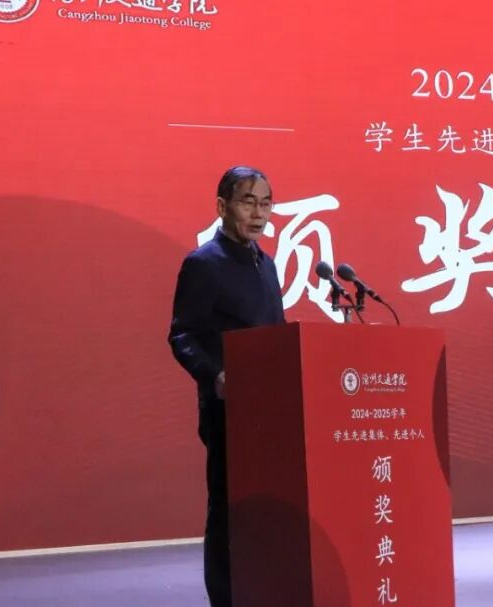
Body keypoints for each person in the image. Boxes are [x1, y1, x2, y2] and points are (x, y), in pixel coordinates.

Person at [168, 166, 285, 607]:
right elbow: (183, 335)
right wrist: (215, 375)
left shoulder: (266, 264)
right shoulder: (203, 264)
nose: (258, 214)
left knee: (269, 508)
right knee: (228, 509)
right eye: (247, 202)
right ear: (222, 206)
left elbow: (275, 334)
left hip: (271, 410)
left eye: (265, 204)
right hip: (227, 409)